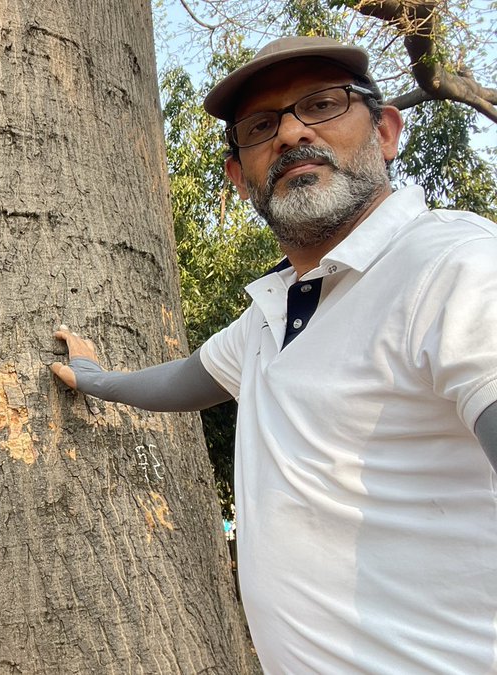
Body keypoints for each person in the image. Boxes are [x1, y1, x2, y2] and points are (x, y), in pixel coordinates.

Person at [49, 36, 497, 673]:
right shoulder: (278, 309)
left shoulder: (456, 266)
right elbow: (184, 381)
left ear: (387, 132)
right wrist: (96, 379)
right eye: (261, 126)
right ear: (239, 177)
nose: (290, 133)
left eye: (320, 104)